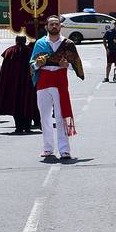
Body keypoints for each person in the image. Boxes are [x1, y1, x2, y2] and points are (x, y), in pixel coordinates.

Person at [32, 15, 84, 160]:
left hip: (60, 81)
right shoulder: (40, 43)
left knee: (61, 116)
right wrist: (38, 64)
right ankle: (47, 148)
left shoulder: (68, 44)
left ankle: (64, 149)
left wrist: (66, 65)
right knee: (45, 117)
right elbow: (32, 65)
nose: (54, 26)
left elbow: (77, 65)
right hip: (43, 82)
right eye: (51, 24)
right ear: (46, 27)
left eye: (56, 24)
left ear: (60, 27)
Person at [0, 34, 39, 133]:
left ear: (16, 40)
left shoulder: (10, 51)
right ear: (25, 41)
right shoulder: (30, 51)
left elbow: (5, 70)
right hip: (28, 83)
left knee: (15, 104)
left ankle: (19, 127)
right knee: (27, 103)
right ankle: (27, 127)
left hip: (13, 83)